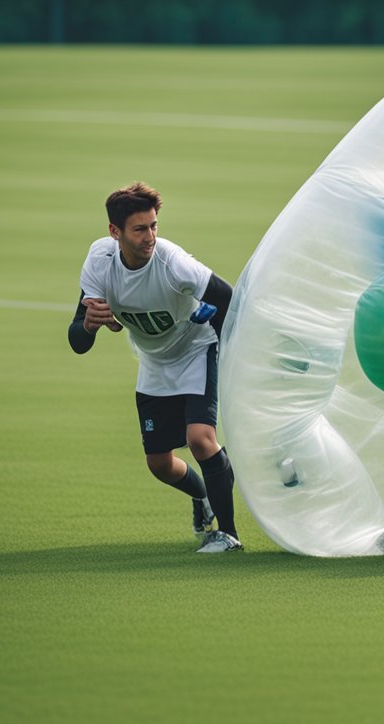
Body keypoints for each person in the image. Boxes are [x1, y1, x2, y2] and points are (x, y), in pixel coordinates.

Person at [68, 182, 242, 553]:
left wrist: (229, 358)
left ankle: (228, 535)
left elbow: (228, 300)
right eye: (140, 229)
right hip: (154, 360)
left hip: (197, 348)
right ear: (114, 232)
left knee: (200, 440)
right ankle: (204, 495)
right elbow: (78, 342)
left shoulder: (174, 263)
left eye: (154, 226)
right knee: (159, 464)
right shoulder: (100, 261)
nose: (150, 236)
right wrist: (88, 324)